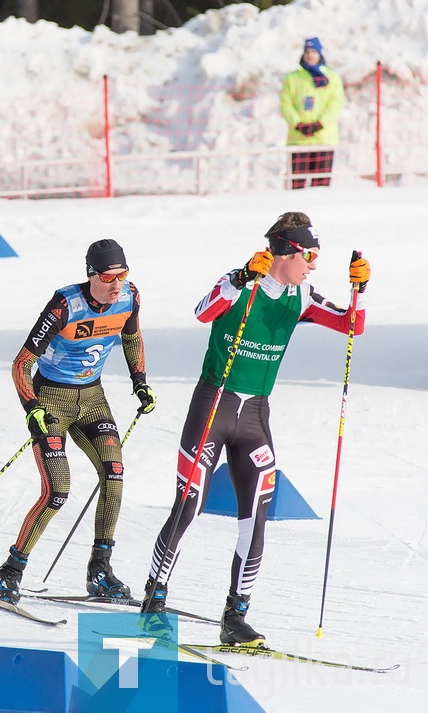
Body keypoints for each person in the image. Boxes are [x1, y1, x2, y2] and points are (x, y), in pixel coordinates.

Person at [142, 211, 370, 646]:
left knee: (257, 516)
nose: (314, 264)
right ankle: (153, 601)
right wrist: (243, 276)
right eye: (310, 254)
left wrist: (360, 290)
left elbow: (351, 325)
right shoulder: (243, 281)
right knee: (189, 505)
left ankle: (236, 617)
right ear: (287, 250)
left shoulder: (301, 294)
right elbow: (202, 312)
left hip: (254, 418)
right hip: (214, 406)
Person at [0, 239, 156, 605]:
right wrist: (31, 407)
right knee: (57, 491)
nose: (117, 285)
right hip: (51, 399)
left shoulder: (130, 297)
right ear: (91, 276)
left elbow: (133, 338)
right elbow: (21, 363)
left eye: (123, 275)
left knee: (114, 473)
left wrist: (139, 381)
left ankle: (100, 569)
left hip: (92, 399)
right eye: (110, 278)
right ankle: (11, 571)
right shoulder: (65, 305)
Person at [279, 37, 345, 189]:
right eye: (307, 52)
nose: (310, 55)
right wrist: (298, 124)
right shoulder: (292, 78)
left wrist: (320, 124)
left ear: (319, 54)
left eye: (313, 52)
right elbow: (285, 104)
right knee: (297, 184)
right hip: (298, 140)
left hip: (323, 139)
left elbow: (336, 105)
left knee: (320, 185)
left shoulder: (332, 78)